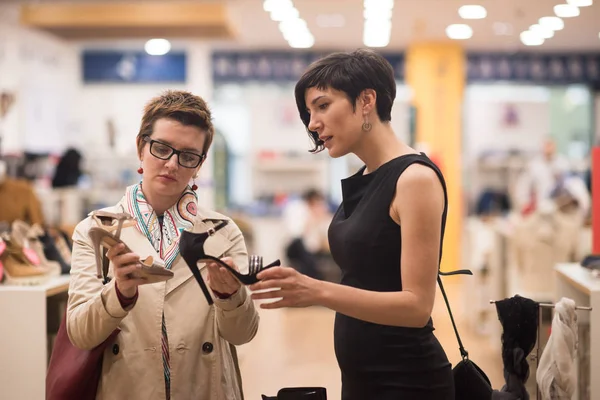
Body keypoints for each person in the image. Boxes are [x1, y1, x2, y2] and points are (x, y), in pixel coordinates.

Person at [250, 49, 454, 399]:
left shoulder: (413, 179)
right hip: (362, 377)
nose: (313, 123)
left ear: (366, 101)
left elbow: (417, 307)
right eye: (309, 112)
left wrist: (317, 291)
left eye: (323, 106)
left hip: (407, 380)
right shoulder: (365, 176)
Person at [66, 90, 259, 399]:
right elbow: (80, 334)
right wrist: (119, 293)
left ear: (199, 164)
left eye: (187, 156)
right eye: (162, 149)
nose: (172, 164)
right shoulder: (95, 230)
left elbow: (243, 333)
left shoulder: (223, 232)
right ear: (141, 147)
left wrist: (230, 294)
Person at [283, 188, 331, 280]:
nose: (320, 205)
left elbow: (324, 234)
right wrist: (313, 219)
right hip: (295, 247)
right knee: (301, 245)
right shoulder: (298, 210)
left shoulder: (321, 213)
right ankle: (314, 278)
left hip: (313, 249)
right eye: (317, 202)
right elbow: (297, 233)